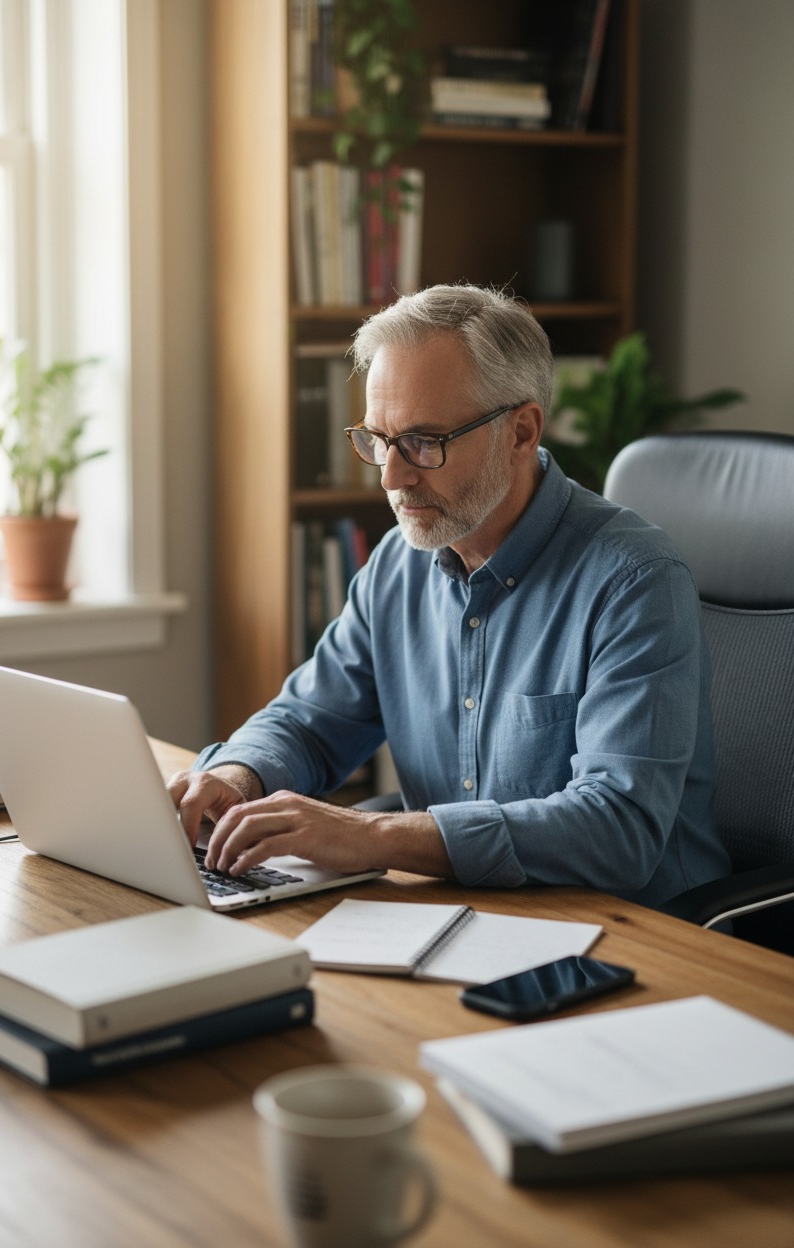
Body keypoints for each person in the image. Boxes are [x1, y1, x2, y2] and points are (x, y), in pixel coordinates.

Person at [169, 284, 731, 909]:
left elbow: (618, 828)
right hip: (461, 913)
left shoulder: (634, 580)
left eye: (422, 443)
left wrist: (375, 834)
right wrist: (234, 777)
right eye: (377, 440)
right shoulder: (396, 565)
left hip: (645, 937)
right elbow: (309, 721)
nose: (390, 477)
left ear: (521, 432)